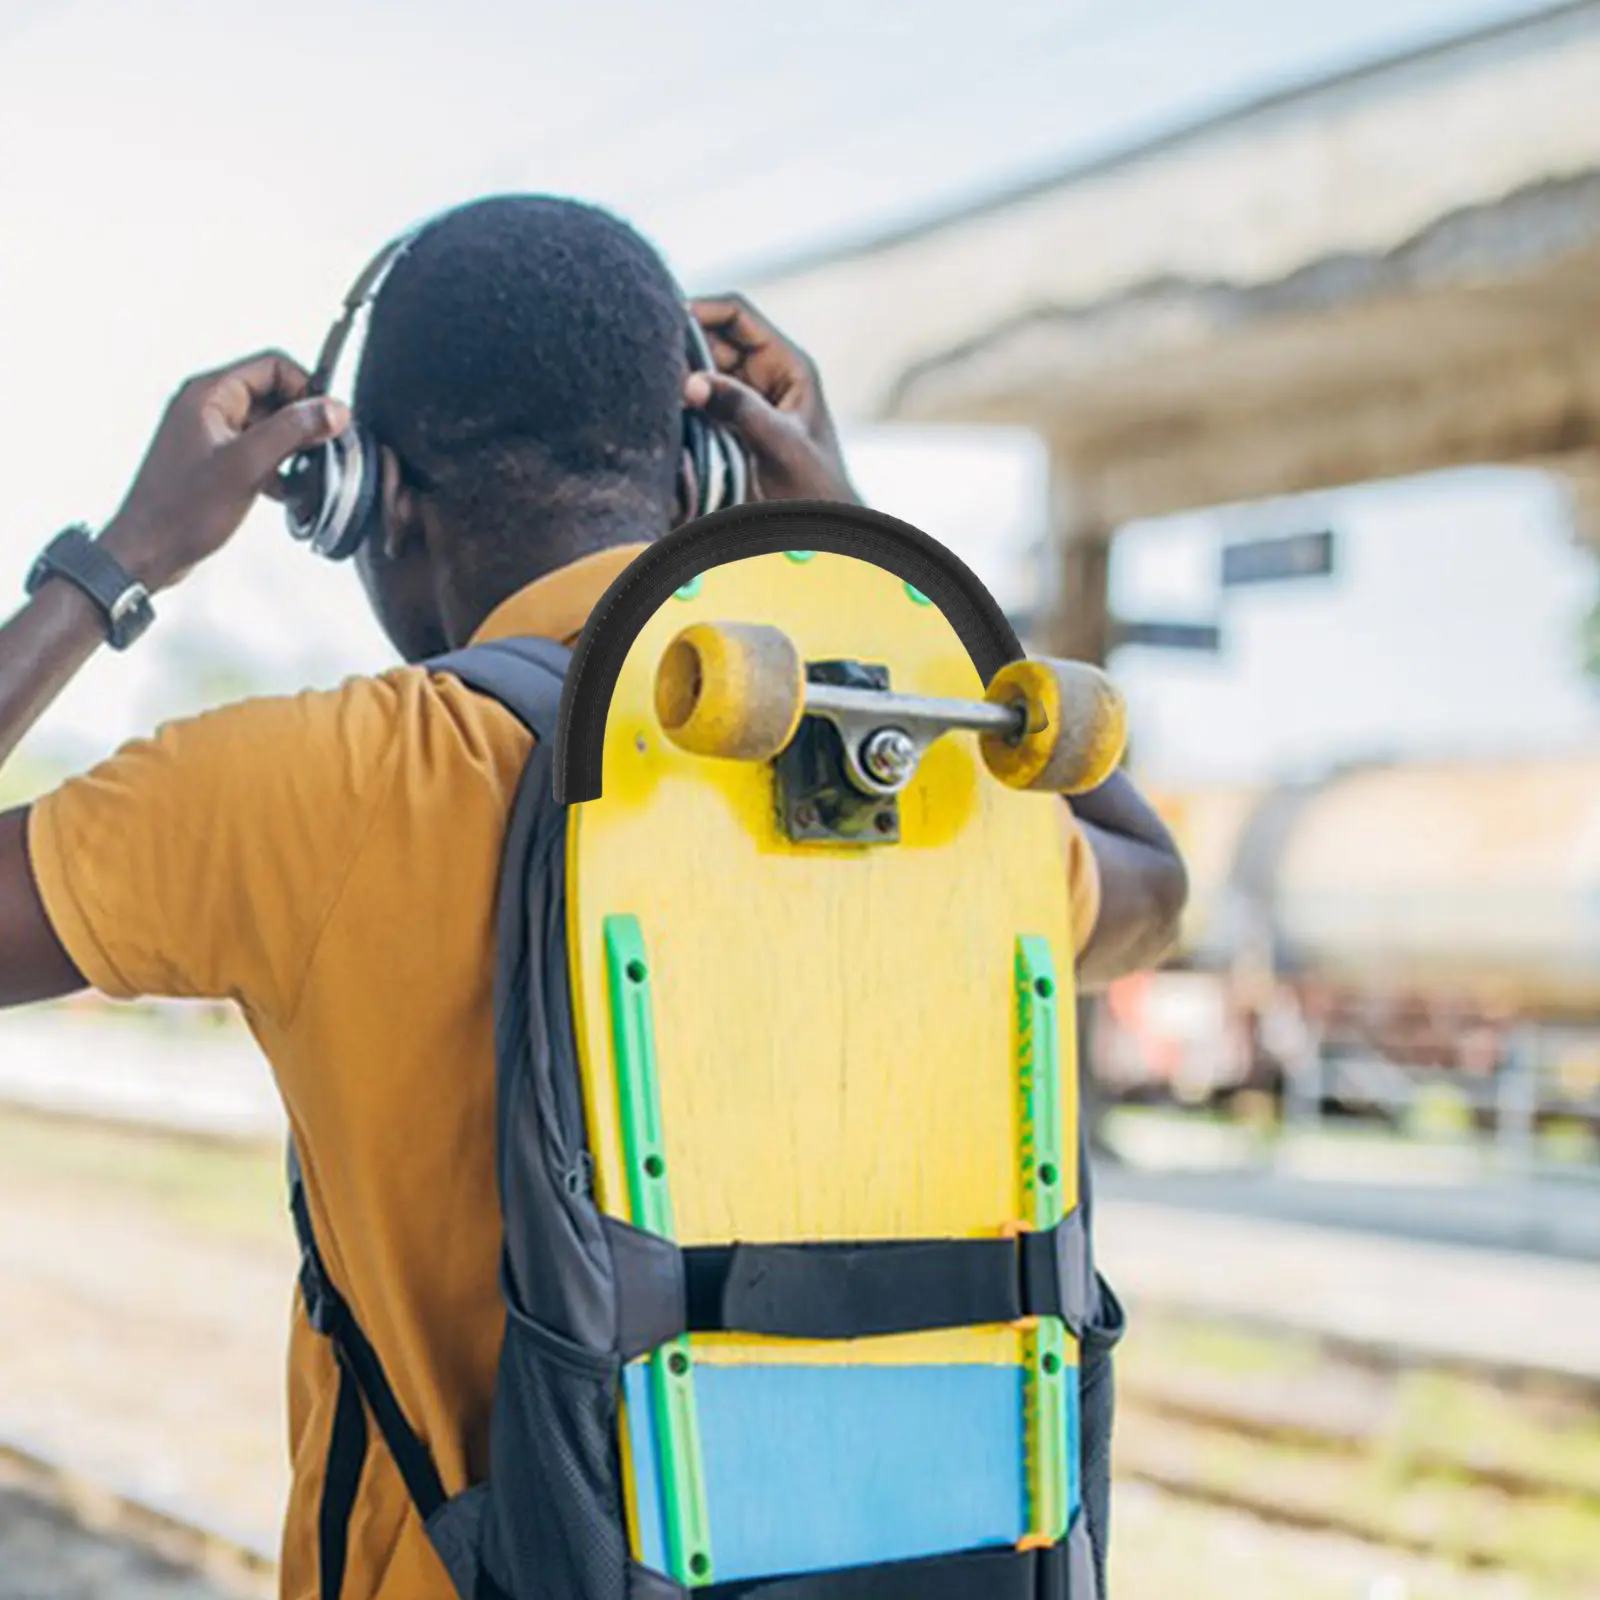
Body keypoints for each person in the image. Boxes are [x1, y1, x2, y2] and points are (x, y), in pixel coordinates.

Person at [0, 195, 1185, 1599]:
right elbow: (1152, 886)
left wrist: (121, 558)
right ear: (703, 481)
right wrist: (856, 548)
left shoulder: (327, 782)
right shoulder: (917, 774)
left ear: (373, 497)